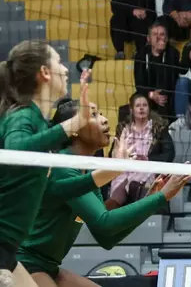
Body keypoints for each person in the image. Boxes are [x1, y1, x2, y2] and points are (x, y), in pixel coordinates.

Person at [17, 99, 190, 287]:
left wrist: (151, 199)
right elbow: (105, 223)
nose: (105, 119)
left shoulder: (91, 172)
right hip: (22, 262)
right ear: (74, 129)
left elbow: (106, 237)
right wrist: (161, 197)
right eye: (94, 115)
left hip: (48, 265)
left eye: (100, 113)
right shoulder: (63, 168)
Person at [0, 43, 114, 287]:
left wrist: (107, 172)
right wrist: (74, 124)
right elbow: (16, 152)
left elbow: (57, 191)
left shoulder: (39, 123)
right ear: (44, 72)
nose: (65, 68)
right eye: (59, 61)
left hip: (8, 250)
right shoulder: (22, 116)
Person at [108, 95, 175, 209]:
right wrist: (120, 155)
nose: (141, 108)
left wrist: (148, 160)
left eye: (144, 105)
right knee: (117, 188)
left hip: (149, 169)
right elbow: (112, 155)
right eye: (138, 106)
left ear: (149, 109)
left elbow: (170, 153)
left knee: (137, 183)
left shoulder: (159, 128)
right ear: (131, 110)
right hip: (125, 169)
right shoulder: (123, 129)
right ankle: (106, 218)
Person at [133, 23, 181, 121]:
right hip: (147, 94)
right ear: (148, 38)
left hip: (167, 95)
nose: (159, 37)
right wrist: (151, 94)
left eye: (162, 34)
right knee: (135, 99)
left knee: (163, 95)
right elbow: (139, 83)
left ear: (166, 39)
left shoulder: (172, 53)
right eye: (155, 34)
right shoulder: (141, 55)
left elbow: (171, 80)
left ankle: (164, 129)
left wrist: (159, 55)